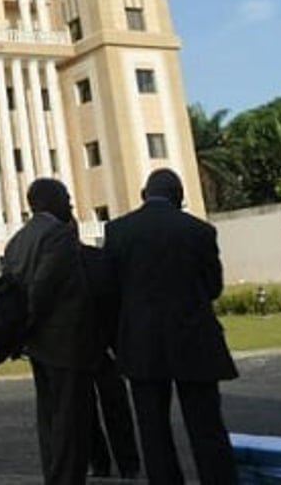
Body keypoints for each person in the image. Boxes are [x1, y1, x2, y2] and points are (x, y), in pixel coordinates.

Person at [105, 168, 239, 485]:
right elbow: (213, 287)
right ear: (179, 197)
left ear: (144, 193)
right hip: (194, 339)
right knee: (206, 427)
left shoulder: (119, 231)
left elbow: (111, 290)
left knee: (153, 430)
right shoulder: (199, 231)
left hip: (141, 344)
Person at [2, 178, 98, 484]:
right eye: (66, 197)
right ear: (47, 201)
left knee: (49, 416)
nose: (70, 204)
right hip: (64, 341)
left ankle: (55, 475)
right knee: (71, 418)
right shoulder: (59, 235)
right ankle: (67, 477)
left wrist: (23, 333)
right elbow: (43, 288)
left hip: (36, 344)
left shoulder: (17, 241)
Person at [80, 242, 140, 479]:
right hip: (102, 346)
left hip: (84, 348)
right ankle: (126, 464)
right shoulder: (98, 258)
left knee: (91, 412)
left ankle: (104, 463)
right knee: (113, 409)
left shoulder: (60, 261)